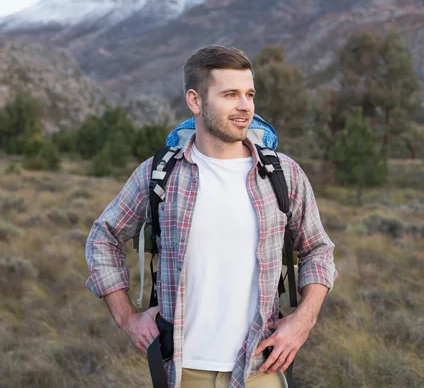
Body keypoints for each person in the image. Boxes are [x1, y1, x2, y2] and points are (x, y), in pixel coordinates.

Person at [85, 45, 338, 388]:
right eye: (230, 94)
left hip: (262, 367)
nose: (245, 106)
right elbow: (104, 236)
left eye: (249, 94)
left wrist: (302, 322)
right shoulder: (160, 174)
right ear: (196, 100)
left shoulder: (283, 175)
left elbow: (318, 250)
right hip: (184, 370)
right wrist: (127, 318)